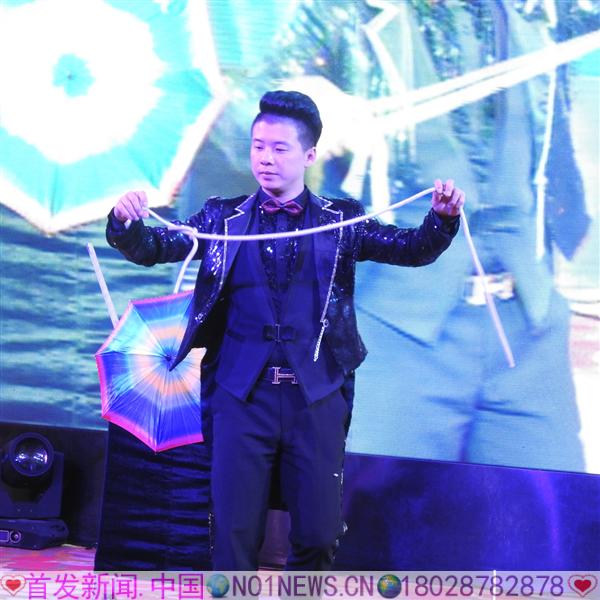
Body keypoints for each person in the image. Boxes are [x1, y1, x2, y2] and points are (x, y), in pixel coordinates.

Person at [106, 90, 465, 570]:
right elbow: (156, 245)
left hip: (316, 395)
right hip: (239, 393)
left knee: (318, 535)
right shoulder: (222, 218)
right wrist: (125, 223)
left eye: (279, 148)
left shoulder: (342, 220)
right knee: (232, 536)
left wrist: (442, 219)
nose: (266, 158)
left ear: (309, 155)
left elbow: (411, 248)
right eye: (258, 146)